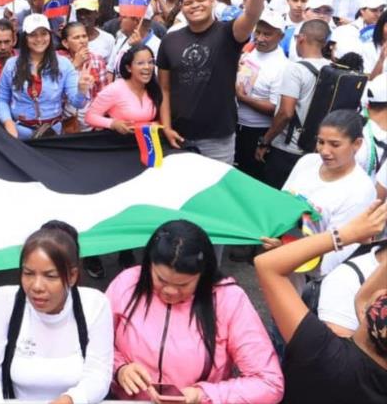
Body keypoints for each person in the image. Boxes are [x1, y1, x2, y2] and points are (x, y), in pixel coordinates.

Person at [107, 219, 284, 403]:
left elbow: (269, 383)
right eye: (160, 279)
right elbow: (89, 343)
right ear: (148, 265)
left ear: (203, 275)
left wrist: (202, 395)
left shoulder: (229, 300)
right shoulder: (127, 283)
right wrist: (120, 369)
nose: (170, 291)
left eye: (183, 284)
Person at [254, 202, 387, 402]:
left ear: (368, 308)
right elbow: (365, 299)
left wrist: (346, 234)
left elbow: (267, 265)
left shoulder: (322, 352)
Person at [0, 223, 113, 402]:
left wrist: (70, 400)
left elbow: (98, 375)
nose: (37, 286)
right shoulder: (3, 300)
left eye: (50, 276)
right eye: (28, 273)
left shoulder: (95, 304)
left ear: (72, 276)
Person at [157, 0, 265, 164]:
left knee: (216, 191)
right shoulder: (169, 40)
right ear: (181, 7)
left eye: (201, 0)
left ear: (212, 1)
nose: (195, 6)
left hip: (218, 138)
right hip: (178, 134)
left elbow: (251, 16)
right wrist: (166, 126)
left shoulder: (229, 33)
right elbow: (164, 89)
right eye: (189, 3)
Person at [273, 110, 376, 275]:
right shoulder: (307, 162)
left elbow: (336, 249)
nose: (324, 151)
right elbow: (281, 205)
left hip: (313, 276)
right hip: (280, 259)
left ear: (356, 144)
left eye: (335, 144)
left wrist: (287, 250)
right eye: (321, 142)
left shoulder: (360, 190)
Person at [257, 19, 332, 188]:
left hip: (287, 150)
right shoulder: (331, 67)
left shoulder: (295, 69)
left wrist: (265, 141)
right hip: (315, 149)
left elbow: (285, 113)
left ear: (301, 38)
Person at [0, 14, 94, 139]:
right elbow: (1, 99)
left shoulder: (63, 64)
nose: (39, 39)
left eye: (43, 33)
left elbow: (77, 103)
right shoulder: (11, 65)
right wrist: (8, 123)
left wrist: (82, 90)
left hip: (52, 134)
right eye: (33, 35)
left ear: (50, 35)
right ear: (25, 38)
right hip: (19, 133)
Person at [234, 12, 288, 181]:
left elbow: (276, 109)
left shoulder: (282, 67)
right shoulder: (248, 52)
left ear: (280, 36)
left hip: (257, 132)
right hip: (234, 126)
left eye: (267, 34)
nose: (260, 38)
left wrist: (244, 99)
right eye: (258, 32)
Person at [85, 45, 160, 133]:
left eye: (150, 62)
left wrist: (156, 124)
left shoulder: (154, 87)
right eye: (140, 63)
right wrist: (112, 123)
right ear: (128, 68)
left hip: (146, 142)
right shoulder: (115, 89)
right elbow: (90, 116)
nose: (147, 67)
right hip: (119, 143)